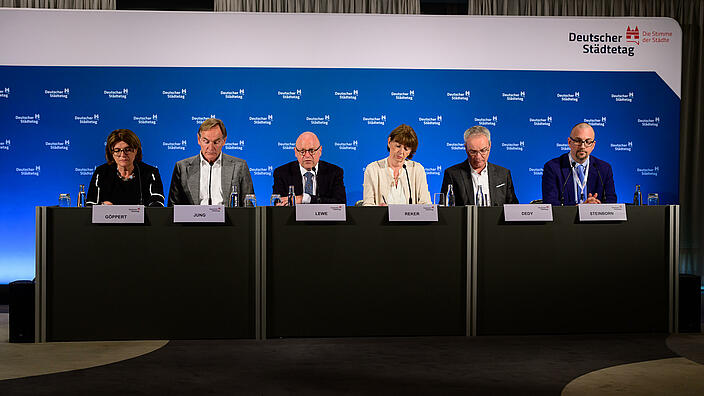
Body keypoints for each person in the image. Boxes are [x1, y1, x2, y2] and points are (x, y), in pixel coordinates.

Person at [168, 118, 253, 206]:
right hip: (193, 219)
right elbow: (173, 208)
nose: (211, 147)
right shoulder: (182, 168)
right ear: (198, 139)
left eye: (216, 142)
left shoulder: (239, 166)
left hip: (229, 219)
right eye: (206, 141)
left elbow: (249, 207)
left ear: (224, 141)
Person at [440, 126, 518, 206]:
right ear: (466, 148)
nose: (478, 156)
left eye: (483, 150)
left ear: (490, 146)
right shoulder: (452, 174)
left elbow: (513, 208)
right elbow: (445, 210)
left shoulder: (503, 174)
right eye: (473, 152)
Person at [542, 122, 616, 205]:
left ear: (593, 145)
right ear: (569, 142)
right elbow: (551, 203)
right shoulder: (553, 168)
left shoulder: (604, 169)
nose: (582, 146)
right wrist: (581, 208)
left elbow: (611, 201)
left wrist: (597, 206)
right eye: (578, 141)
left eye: (588, 142)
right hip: (566, 218)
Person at [86, 129, 165, 206]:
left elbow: (157, 203)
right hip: (108, 218)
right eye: (117, 150)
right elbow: (91, 204)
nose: (122, 154)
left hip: (142, 219)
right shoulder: (101, 172)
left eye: (128, 149)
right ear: (111, 152)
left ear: (136, 150)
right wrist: (102, 207)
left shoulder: (150, 172)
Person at [362, 124, 431, 206]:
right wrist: (378, 210)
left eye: (406, 148)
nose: (401, 152)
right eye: (398, 146)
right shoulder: (373, 169)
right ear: (389, 142)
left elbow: (426, 204)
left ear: (410, 151)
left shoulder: (417, 169)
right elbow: (368, 205)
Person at [273, 131, 346, 205]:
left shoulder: (334, 172)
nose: (307, 155)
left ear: (320, 151)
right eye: (302, 151)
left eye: (312, 151)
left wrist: (304, 199)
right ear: (295, 152)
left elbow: (341, 203)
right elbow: (278, 203)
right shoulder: (282, 173)